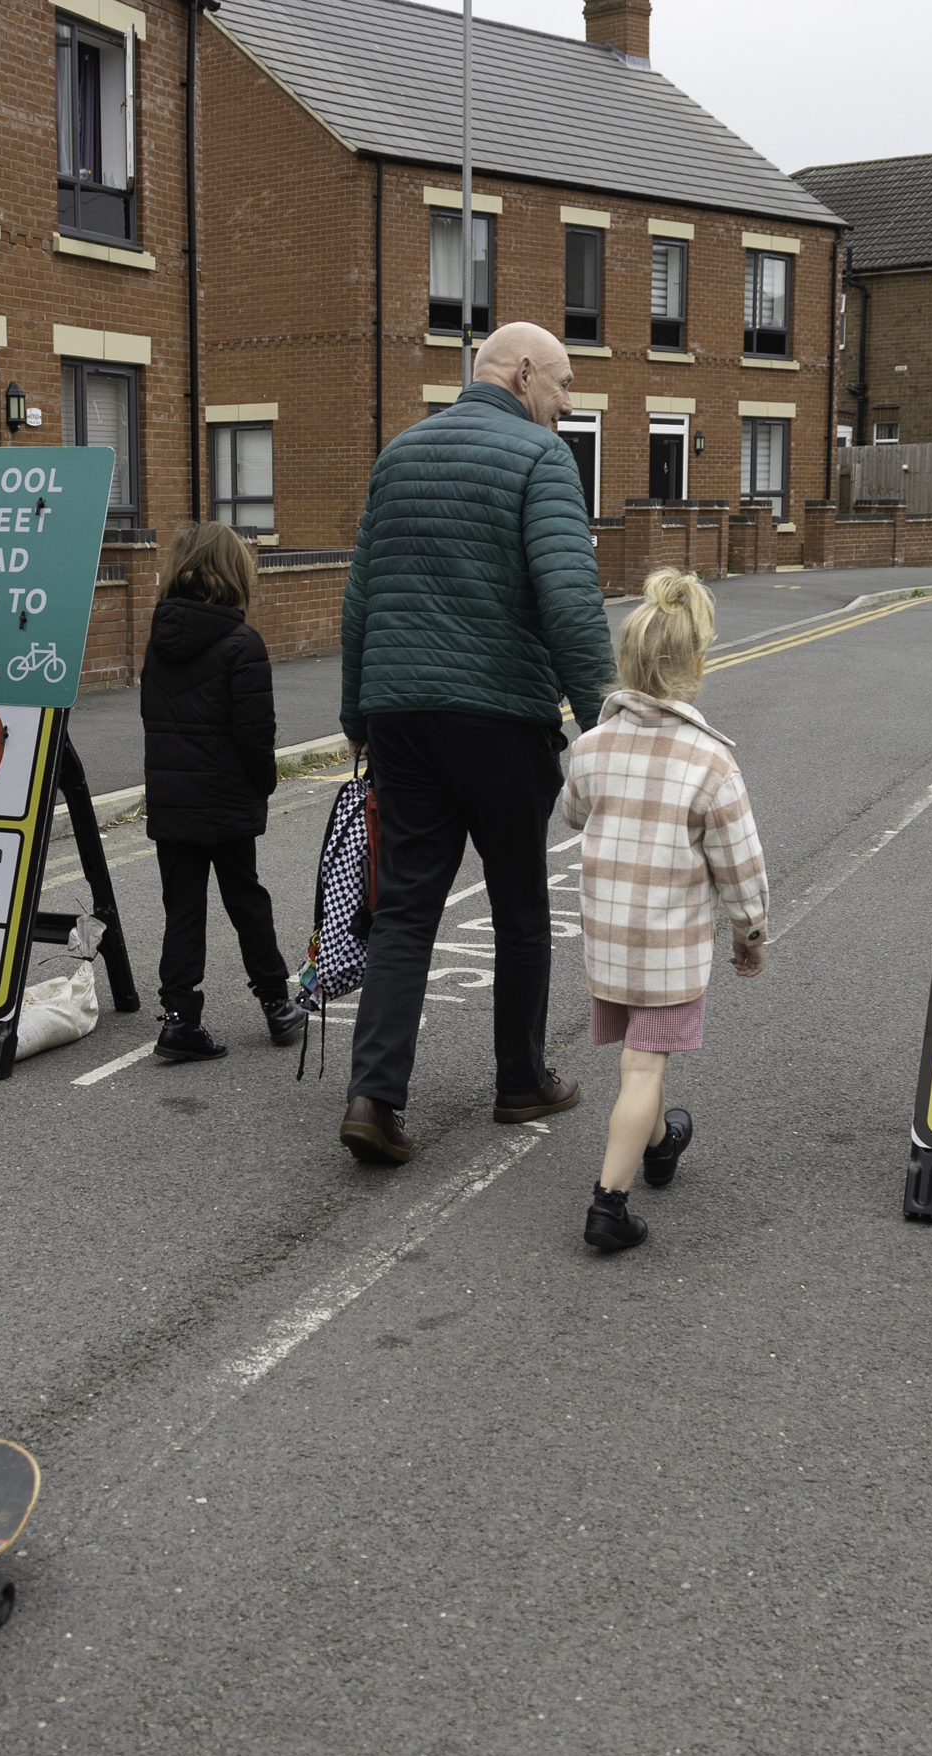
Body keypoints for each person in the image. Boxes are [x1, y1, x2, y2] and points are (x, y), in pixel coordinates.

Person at [335, 321, 616, 1164]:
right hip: (498, 717)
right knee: (522, 909)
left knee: (406, 912)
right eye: (564, 386)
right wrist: (608, 726)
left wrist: (359, 716)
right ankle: (520, 1080)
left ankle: (374, 1100)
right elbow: (569, 600)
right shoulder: (539, 460)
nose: (567, 408)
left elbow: (359, 597)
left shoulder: (400, 454)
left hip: (401, 718)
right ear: (523, 371)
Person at [560, 570, 768, 1252]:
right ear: (697, 666)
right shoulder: (710, 762)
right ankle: (608, 1208)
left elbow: (573, 814)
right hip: (670, 943)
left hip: (610, 940)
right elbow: (739, 864)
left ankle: (659, 1141)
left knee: (638, 1067)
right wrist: (750, 933)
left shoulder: (590, 747)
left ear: (625, 662)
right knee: (644, 1069)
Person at [140, 520, 309, 1060]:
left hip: (173, 797)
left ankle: (178, 1020)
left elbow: (152, 716)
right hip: (229, 798)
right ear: (233, 573)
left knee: (182, 909)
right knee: (247, 902)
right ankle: (276, 1005)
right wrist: (264, 784)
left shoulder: (158, 636)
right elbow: (254, 733)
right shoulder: (242, 642)